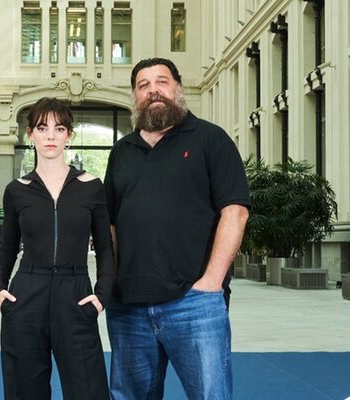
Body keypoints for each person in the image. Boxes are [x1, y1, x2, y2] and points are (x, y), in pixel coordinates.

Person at [104, 58, 251, 400]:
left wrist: (211, 282)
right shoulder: (121, 152)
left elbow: (235, 212)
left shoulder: (211, 140)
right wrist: (110, 281)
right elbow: (110, 224)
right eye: (143, 85)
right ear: (135, 96)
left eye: (161, 81)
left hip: (194, 302)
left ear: (178, 89)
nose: (153, 90)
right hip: (128, 307)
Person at [0, 97, 114, 400]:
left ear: (68, 135)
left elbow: (105, 247)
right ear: (30, 134)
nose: (50, 136)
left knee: (89, 391)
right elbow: (7, 247)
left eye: (59, 128)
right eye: (42, 128)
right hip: (26, 295)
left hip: (76, 295)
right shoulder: (17, 190)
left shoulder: (91, 186)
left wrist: (101, 296)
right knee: (25, 392)